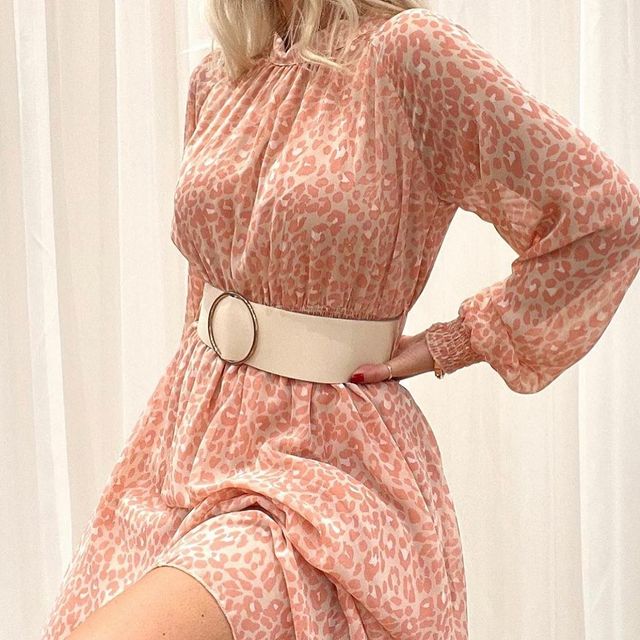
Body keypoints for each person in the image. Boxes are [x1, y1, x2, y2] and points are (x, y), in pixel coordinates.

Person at [41, 1, 640, 639]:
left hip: (326, 467)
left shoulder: (409, 53)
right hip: (188, 444)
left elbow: (603, 214)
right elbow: (204, 292)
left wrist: (456, 341)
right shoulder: (219, 77)